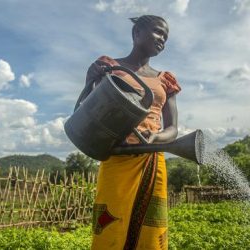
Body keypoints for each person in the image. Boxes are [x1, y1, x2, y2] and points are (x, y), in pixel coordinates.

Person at [76, 15, 181, 250]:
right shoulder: (109, 67)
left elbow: (172, 129)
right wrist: (90, 79)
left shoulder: (166, 80)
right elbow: (87, 113)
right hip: (117, 156)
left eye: (165, 36)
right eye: (157, 32)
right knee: (110, 222)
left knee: (150, 228)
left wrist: (155, 139)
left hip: (152, 159)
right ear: (136, 34)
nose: (162, 39)